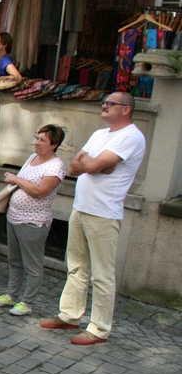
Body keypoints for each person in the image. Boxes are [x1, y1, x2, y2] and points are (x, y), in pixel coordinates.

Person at [41, 93, 146, 346]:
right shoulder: (100, 134)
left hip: (104, 213)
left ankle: (99, 328)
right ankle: (70, 315)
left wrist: (90, 163)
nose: (105, 105)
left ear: (126, 109)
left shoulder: (131, 136)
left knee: (102, 274)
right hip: (81, 207)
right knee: (76, 266)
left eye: (111, 103)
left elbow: (86, 166)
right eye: (105, 102)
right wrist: (94, 163)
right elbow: (76, 167)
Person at [0, 125, 67, 318]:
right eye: (37, 138)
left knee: (32, 264)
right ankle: (11, 294)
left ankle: (27, 301)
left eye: (43, 140)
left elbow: (40, 191)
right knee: (14, 260)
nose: (37, 143)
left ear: (54, 144)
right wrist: (15, 181)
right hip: (14, 216)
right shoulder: (32, 158)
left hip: (33, 221)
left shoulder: (56, 166)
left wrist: (16, 178)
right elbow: (25, 182)